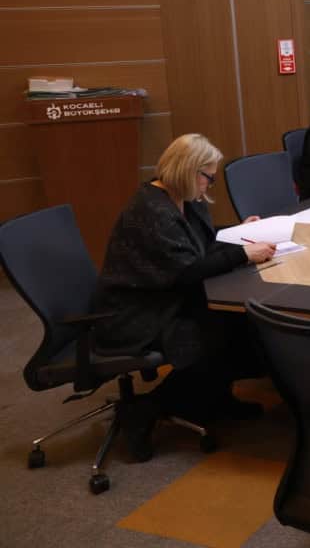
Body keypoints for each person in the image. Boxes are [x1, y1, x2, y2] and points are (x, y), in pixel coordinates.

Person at [93, 134, 276, 458]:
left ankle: (217, 397)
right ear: (188, 171)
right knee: (216, 331)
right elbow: (187, 271)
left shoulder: (183, 199)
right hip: (135, 312)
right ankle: (148, 408)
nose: (210, 184)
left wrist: (240, 231)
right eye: (208, 177)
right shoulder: (151, 211)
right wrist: (243, 254)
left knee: (239, 319)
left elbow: (198, 243)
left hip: (166, 295)